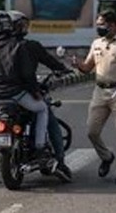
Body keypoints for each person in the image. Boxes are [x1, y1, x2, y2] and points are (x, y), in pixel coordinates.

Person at [71, 10, 116, 185]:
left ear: (113, 25)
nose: (99, 28)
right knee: (92, 131)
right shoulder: (97, 43)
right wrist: (77, 64)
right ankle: (106, 156)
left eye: (102, 24)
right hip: (99, 91)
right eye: (98, 25)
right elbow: (87, 67)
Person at [0, 11, 52, 183]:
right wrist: (36, 92)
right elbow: (27, 74)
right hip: (16, 95)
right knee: (42, 109)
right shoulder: (19, 46)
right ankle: (40, 146)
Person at [7, 10, 74, 182]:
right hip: (23, 93)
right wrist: (62, 70)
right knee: (49, 118)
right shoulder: (28, 46)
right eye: (22, 25)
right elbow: (37, 69)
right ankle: (58, 160)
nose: (25, 28)